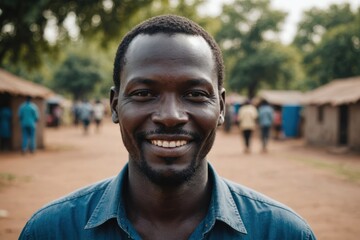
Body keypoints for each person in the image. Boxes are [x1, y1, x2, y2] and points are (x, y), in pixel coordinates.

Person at [19, 15, 316, 239]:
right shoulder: (51, 231)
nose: (171, 116)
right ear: (114, 106)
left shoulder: (282, 233)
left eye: (195, 94)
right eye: (143, 93)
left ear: (222, 108)